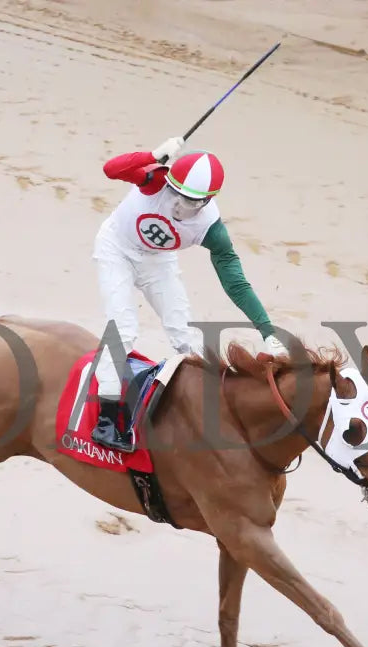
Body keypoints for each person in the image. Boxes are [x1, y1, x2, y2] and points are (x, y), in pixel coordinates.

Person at [90, 135, 287, 452]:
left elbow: (235, 282)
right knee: (123, 329)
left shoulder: (211, 229)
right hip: (117, 250)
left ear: (209, 200)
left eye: (193, 202)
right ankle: (107, 420)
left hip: (157, 262)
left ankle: (209, 413)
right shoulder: (155, 180)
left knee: (188, 337)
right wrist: (152, 154)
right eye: (178, 195)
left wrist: (268, 331)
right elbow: (111, 169)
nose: (181, 205)